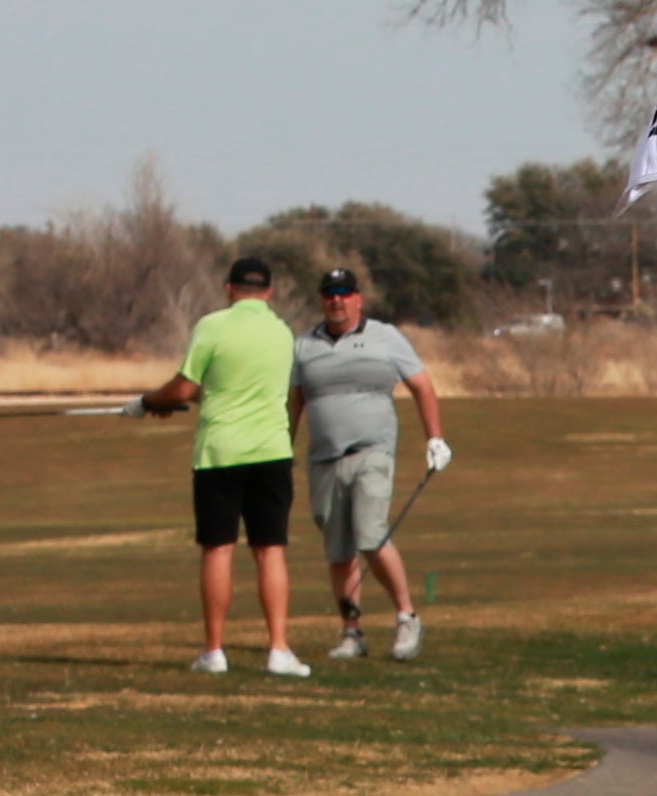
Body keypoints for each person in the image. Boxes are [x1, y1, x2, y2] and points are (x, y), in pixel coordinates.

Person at [147, 254, 310, 676]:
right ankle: (278, 650)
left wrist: (150, 401)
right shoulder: (282, 333)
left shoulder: (212, 326)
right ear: (269, 292)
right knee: (270, 550)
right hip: (271, 451)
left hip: (219, 454)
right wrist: (175, 399)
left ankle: (214, 651)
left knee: (218, 548)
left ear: (229, 289)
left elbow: (183, 389)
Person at [289, 264, 454, 660]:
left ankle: (406, 617)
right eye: (330, 295)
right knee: (338, 550)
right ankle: (352, 632)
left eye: (345, 294)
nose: (337, 302)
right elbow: (294, 403)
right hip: (324, 459)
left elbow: (421, 385)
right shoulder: (304, 346)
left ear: (358, 299)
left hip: (372, 451)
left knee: (371, 534)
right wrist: (281, 451)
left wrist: (434, 437)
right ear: (322, 301)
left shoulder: (386, 337)